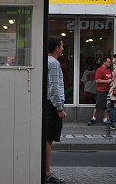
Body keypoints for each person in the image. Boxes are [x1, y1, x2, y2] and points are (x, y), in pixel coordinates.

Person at [46, 36, 67, 183]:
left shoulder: (45, 61)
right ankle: (47, 173)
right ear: (56, 48)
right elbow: (54, 88)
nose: (63, 48)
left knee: (46, 139)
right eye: (61, 46)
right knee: (48, 139)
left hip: (47, 104)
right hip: (52, 106)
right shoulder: (54, 63)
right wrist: (60, 108)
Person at [87, 57, 112, 126]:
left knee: (107, 105)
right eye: (108, 62)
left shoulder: (109, 70)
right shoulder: (100, 70)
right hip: (101, 90)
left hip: (108, 90)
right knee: (98, 105)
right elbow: (97, 80)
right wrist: (107, 81)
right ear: (104, 62)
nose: (110, 63)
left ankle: (105, 119)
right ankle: (93, 118)